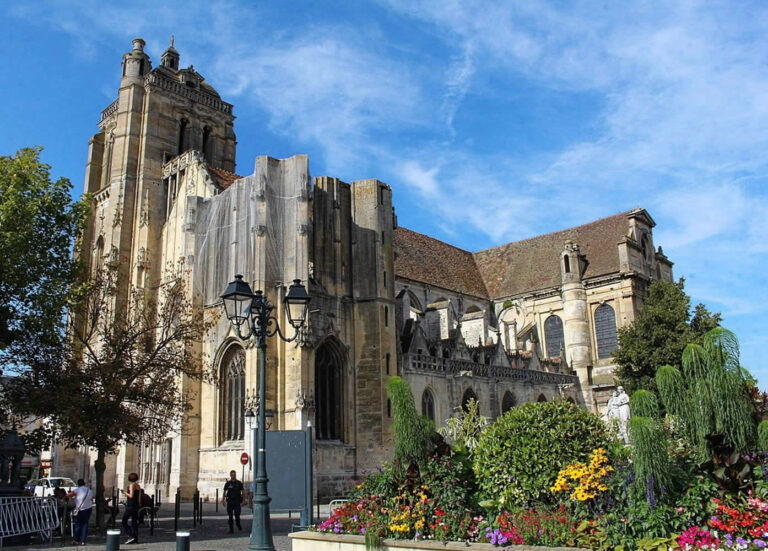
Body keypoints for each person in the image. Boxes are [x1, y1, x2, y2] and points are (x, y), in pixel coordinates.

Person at [67, 479, 93, 546]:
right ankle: (83, 541)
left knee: (78, 525)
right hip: (88, 509)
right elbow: (91, 499)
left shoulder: (77, 490)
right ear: (84, 483)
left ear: (78, 484)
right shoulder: (89, 491)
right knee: (85, 525)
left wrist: (72, 496)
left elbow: (68, 495)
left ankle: (76, 539)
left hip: (80, 509)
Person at [121, 472, 142, 545]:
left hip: (131, 505)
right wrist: (139, 504)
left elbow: (131, 496)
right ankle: (135, 538)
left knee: (124, 521)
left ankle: (130, 535)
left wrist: (124, 492)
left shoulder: (131, 485)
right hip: (136, 506)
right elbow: (139, 497)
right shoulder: (138, 486)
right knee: (134, 522)